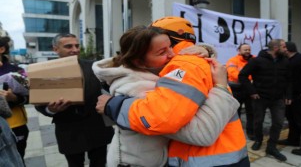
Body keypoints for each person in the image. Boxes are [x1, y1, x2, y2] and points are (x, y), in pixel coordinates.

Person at [98, 17, 249, 166]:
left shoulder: (155, 71)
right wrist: (221, 87)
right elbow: (202, 133)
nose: (173, 54)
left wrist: (206, 49)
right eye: (162, 51)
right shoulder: (136, 86)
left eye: (171, 46)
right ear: (139, 61)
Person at [35, 34, 114, 167]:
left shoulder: (94, 67)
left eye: (77, 45)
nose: (75, 49)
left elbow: (109, 87)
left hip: (97, 127)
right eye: (68, 46)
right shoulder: (44, 71)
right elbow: (39, 101)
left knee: (100, 163)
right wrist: (51, 109)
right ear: (56, 49)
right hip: (69, 130)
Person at [239, 39, 292, 161]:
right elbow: (242, 75)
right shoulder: (257, 61)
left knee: (278, 122)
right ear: (276, 48)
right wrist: (252, 91)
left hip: (278, 98)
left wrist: (288, 95)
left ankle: (272, 147)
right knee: (258, 121)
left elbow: (289, 80)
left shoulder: (285, 61)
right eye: (284, 47)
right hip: (260, 97)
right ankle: (258, 140)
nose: (286, 49)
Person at [0, 36, 29, 165]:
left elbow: (29, 97)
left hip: (15, 125)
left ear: (2, 49)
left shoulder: (16, 71)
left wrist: (13, 98)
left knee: (16, 160)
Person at [226, 43, 254, 139]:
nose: (247, 51)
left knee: (251, 112)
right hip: (237, 89)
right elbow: (234, 74)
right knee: (235, 112)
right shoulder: (233, 61)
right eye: (245, 50)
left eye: (249, 49)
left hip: (250, 89)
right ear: (239, 51)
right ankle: (235, 132)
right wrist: (249, 78)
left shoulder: (254, 59)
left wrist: (246, 78)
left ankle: (251, 132)